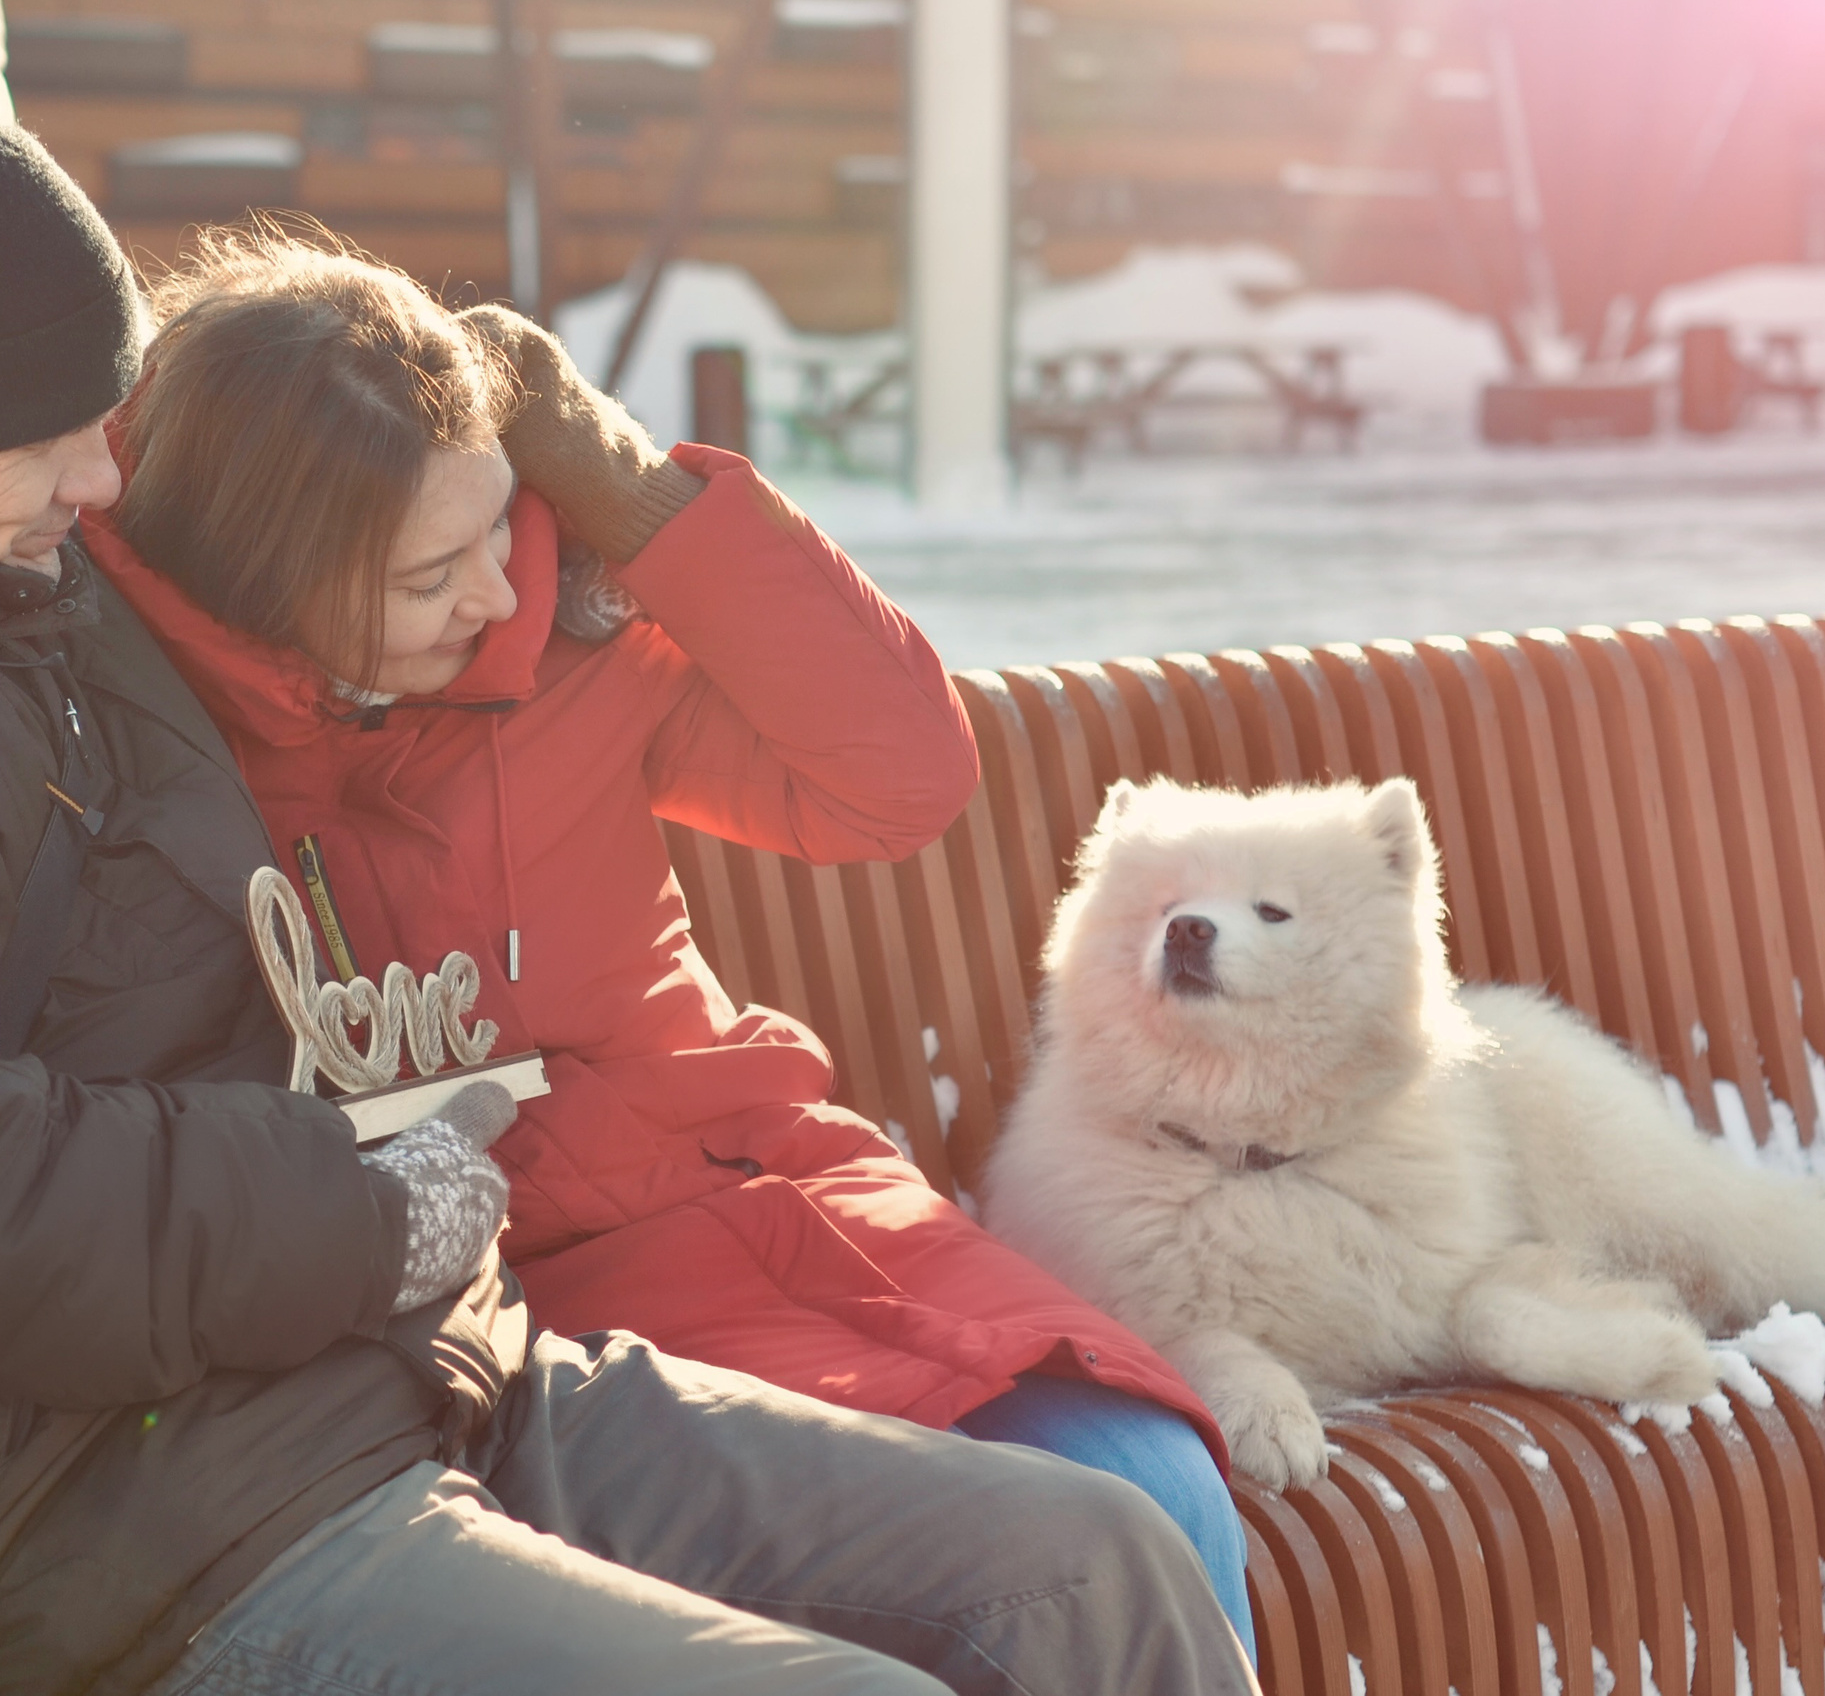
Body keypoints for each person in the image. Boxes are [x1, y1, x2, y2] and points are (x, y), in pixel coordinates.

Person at [0, 89, 1255, 1696]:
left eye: (100, 420)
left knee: (1093, 1570)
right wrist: (348, 1210)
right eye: (48, 436)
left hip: (395, 1368)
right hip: (88, 1520)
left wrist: (599, 517)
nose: (99, 480)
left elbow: (298, 541)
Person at [80, 228, 1256, 1643]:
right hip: (514, 1314)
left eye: (497, 525)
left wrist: (633, 498)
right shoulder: (122, 738)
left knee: (1149, 1493)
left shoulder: (563, 653)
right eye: (428, 572)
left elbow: (897, 781)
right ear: (272, 576)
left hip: (770, 1192)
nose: (495, 594)